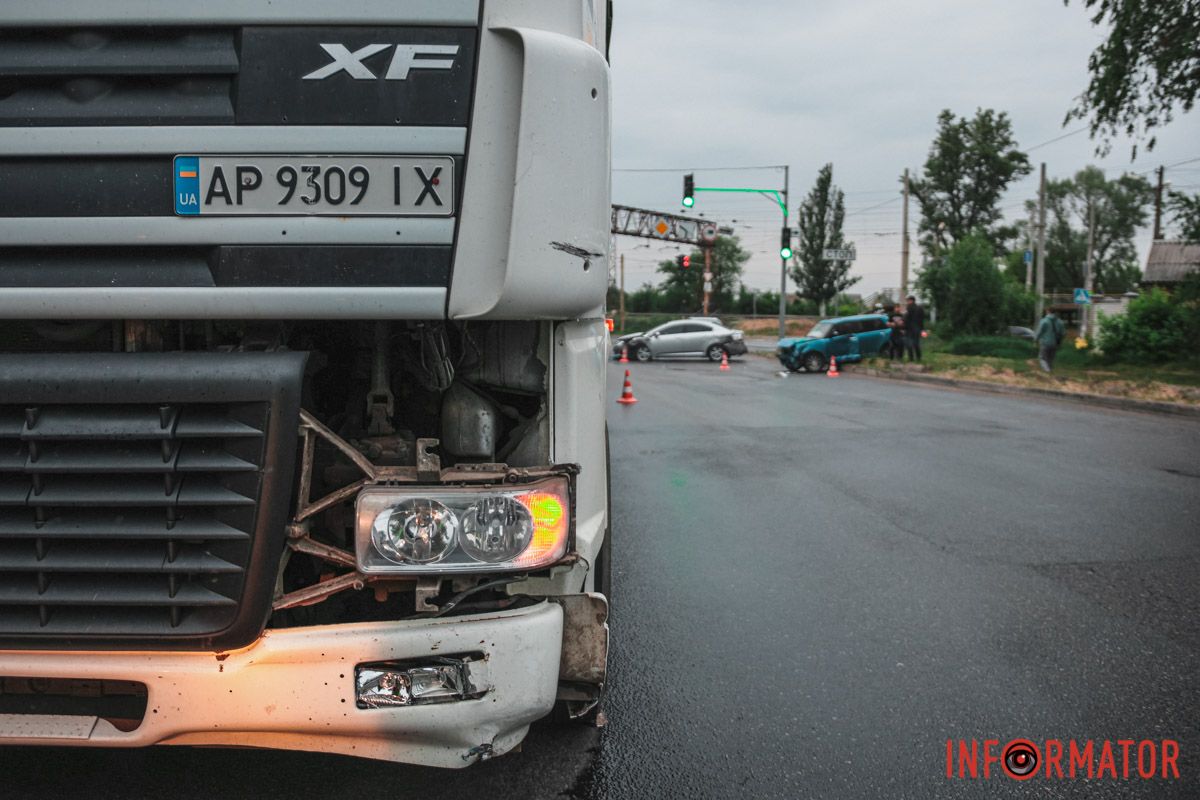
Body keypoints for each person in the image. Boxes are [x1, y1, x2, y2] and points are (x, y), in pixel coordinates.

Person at [1035, 307, 1065, 372]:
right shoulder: (1060, 322)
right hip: (1055, 343)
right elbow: (1063, 334)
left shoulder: (1044, 321)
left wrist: (1036, 340)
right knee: (1050, 359)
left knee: (1042, 358)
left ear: (1047, 311)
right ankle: (1050, 370)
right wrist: (1060, 341)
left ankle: (1047, 370)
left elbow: (1039, 332)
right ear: (1055, 312)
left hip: (1045, 343)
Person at [903, 295, 925, 362]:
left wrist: (904, 327)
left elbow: (906, 319)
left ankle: (911, 358)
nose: (907, 302)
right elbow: (922, 319)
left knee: (909, 344)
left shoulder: (909, 308)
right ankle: (918, 358)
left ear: (911, 300)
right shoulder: (920, 308)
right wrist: (921, 329)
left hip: (910, 329)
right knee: (916, 344)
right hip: (917, 329)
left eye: (908, 301)